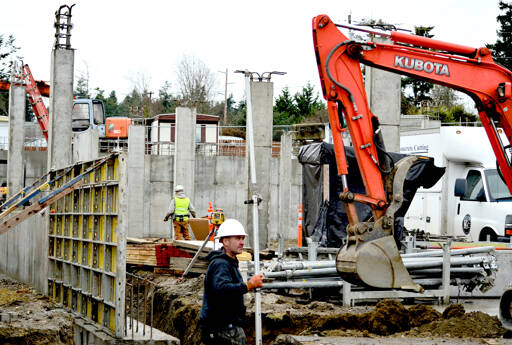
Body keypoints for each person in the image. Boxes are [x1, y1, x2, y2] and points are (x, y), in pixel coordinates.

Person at [199, 219, 263, 345]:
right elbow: (222, 289)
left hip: (225, 325)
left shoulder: (229, 262)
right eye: (238, 238)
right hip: (223, 327)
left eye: (242, 239)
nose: (242, 243)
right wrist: (248, 285)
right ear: (226, 241)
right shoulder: (221, 264)